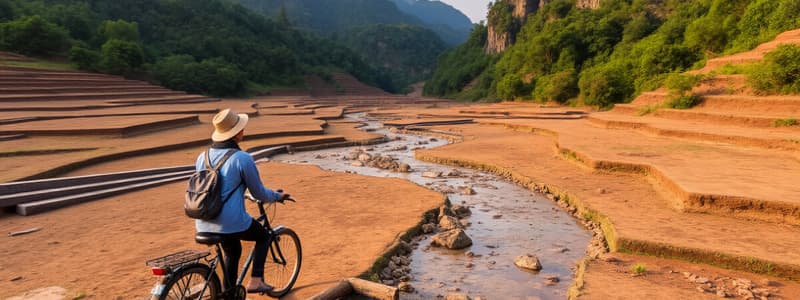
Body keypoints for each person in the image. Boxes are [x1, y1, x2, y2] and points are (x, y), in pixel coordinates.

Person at [195, 108, 288, 293]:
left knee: (233, 250)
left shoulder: (202, 157)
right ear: (237, 133)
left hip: (203, 220)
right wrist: (277, 196)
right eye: (241, 128)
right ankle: (256, 281)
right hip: (230, 222)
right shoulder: (242, 158)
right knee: (264, 236)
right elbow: (259, 193)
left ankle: (228, 293)